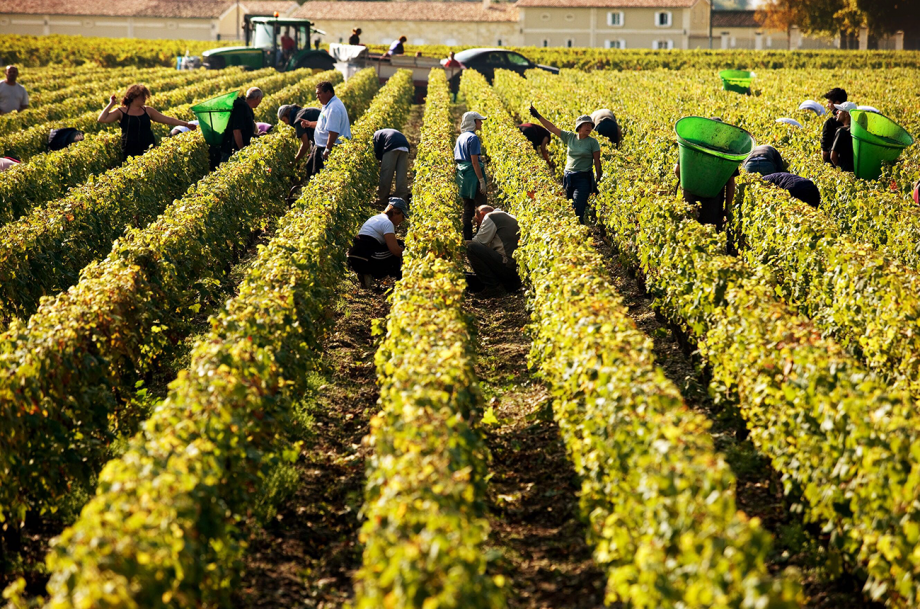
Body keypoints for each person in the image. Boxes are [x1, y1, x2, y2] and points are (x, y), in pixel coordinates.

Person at [529, 105, 602, 223]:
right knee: (569, 208)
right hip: (568, 178)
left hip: (583, 179)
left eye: (590, 125)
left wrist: (598, 178)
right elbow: (552, 128)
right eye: (586, 125)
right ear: (579, 127)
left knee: (578, 209)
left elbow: (597, 162)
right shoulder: (569, 137)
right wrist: (537, 116)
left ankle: (580, 230)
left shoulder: (593, 142)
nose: (589, 127)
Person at [97, 84, 195, 160]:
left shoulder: (147, 110)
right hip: (130, 148)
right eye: (142, 96)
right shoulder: (121, 112)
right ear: (134, 97)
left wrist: (185, 124)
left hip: (148, 145)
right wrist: (111, 104)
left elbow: (167, 119)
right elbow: (102, 119)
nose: (145, 99)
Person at [674, 119, 735, 232]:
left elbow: (677, 170)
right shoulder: (727, 154)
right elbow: (730, 183)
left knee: (689, 233)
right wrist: (728, 209)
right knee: (712, 236)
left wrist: (689, 184)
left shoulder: (692, 147)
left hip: (690, 199)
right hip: (713, 204)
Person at [347, 197, 409, 288]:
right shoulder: (387, 223)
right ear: (395, 212)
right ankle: (400, 282)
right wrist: (410, 257)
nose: (403, 220)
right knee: (399, 245)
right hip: (366, 258)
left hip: (354, 257)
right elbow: (395, 250)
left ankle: (366, 274)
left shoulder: (375, 218)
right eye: (402, 216)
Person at [297, 81, 351, 181]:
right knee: (312, 170)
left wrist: (327, 150)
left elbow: (333, 132)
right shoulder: (327, 105)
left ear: (328, 92)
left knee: (321, 177)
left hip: (330, 148)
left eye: (319, 93)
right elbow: (324, 124)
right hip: (320, 147)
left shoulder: (334, 108)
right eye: (316, 94)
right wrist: (309, 124)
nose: (317, 97)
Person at [466, 205, 521, 298]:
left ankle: (493, 288)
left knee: (471, 248)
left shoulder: (491, 216)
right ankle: (505, 285)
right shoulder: (507, 216)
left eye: (478, 222)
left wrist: (460, 243)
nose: (479, 225)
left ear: (482, 214)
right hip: (516, 271)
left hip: (507, 267)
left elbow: (479, 241)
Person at [455, 111, 488, 240]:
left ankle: (467, 238)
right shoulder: (473, 138)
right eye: (479, 121)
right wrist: (481, 181)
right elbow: (474, 162)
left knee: (467, 208)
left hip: (464, 176)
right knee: (482, 208)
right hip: (473, 176)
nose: (481, 123)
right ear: (473, 122)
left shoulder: (461, 137)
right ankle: (481, 238)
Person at [220, 87, 262, 162]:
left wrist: (257, 136)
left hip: (235, 150)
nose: (260, 102)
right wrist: (242, 151)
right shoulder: (241, 108)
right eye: (260, 99)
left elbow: (245, 133)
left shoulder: (247, 109)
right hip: (231, 151)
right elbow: (236, 131)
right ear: (258, 98)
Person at [373, 128, 410, 206]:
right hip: (405, 147)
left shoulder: (376, 135)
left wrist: (380, 160)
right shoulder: (385, 132)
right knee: (401, 174)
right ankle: (402, 198)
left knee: (386, 173)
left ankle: (382, 198)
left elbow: (377, 150)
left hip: (392, 146)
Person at [821, 87, 847, 164]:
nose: (827, 105)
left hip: (833, 165)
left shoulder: (830, 123)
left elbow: (825, 153)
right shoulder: (853, 122)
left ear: (837, 103)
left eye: (829, 102)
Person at [830, 101, 857, 173]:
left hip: (845, 171)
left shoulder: (842, 131)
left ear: (846, 114)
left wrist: (840, 169)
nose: (837, 112)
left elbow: (833, 156)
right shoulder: (857, 131)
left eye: (840, 110)